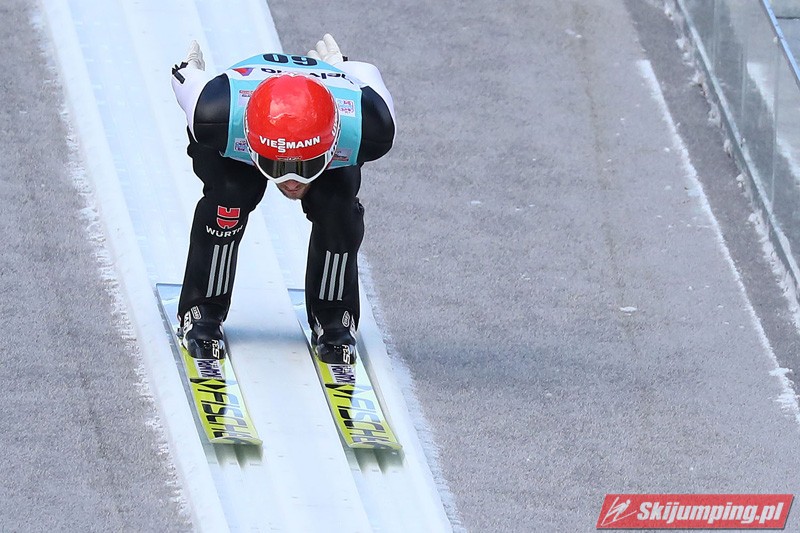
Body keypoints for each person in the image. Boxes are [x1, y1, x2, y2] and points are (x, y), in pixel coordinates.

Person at [170, 34, 396, 364]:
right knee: (229, 198)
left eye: (305, 167)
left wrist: (341, 68)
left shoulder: (370, 125)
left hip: (304, 136)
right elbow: (185, 80)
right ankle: (201, 309)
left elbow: (368, 80)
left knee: (337, 208)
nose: (292, 181)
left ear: (334, 143)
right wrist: (192, 73)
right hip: (240, 134)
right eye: (278, 166)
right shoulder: (213, 113)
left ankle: (334, 316)